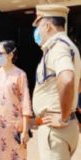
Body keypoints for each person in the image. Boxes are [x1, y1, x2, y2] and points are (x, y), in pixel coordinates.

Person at [32, 4, 81, 160]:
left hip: (55, 130)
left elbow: (67, 79)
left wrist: (63, 117)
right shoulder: (70, 46)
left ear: (47, 26)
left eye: (38, 25)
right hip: (64, 128)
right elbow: (77, 86)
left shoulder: (57, 47)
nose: (36, 31)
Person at [0, 41, 33, 160]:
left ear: (10, 55)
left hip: (13, 125)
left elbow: (25, 103)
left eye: (1, 53)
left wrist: (25, 130)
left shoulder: (20, 75)